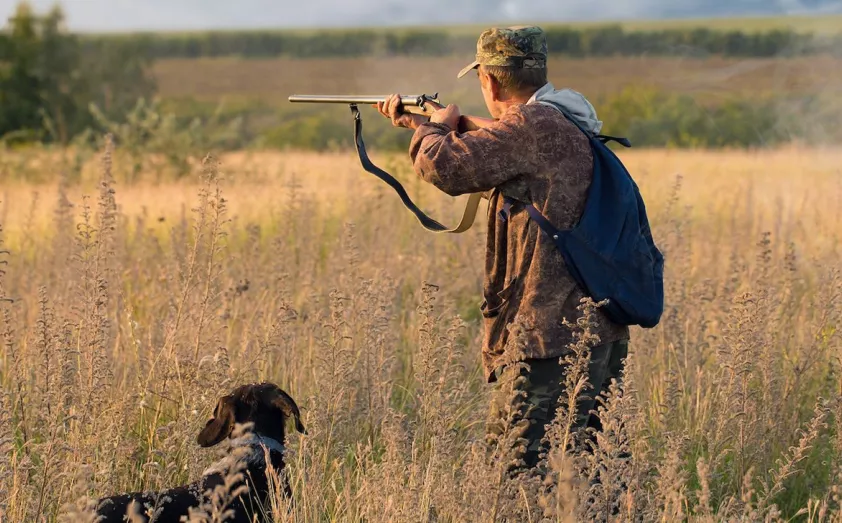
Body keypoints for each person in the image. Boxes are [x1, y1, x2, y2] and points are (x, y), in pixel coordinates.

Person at [375, 26, 630, 472]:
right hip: (595, 329)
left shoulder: (531, 127)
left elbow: (447, 167)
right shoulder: (563, 118)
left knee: (516, 479)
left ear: (489, 81)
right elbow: (490, 153)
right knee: (591, 475)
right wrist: (427, 125)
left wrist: (433, 128)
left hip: (548, 338)